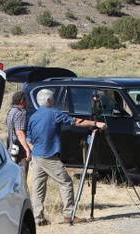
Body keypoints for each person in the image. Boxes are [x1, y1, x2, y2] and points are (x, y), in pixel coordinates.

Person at [27, 88, 105, 225]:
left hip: (37, 156)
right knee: (66, 182)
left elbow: (29, 138)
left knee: (38, 187)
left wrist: (35, 150)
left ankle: (37, 218)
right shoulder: (54, 113)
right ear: (49, 100)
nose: (54, 101)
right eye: (53, 99)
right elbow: (75, 121)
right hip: (48, 155)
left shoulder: (33, 116)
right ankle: (69, 214)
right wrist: (95, 123)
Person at [5, 91, 31, 184]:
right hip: (19, 148)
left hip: (11, 146)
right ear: (21, 101)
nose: (27, 102)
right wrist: (27, 149)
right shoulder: (21, 113)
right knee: (22, 174)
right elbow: (19, 132)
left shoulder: (11, 111)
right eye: (26, 100)